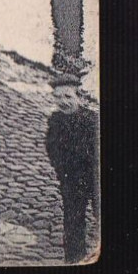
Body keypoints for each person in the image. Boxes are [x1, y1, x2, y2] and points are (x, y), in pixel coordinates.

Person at [45, 76, 99, 263]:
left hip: (94, 179)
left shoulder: (92, 121)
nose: (63, 102)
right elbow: (51, 147)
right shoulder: (55, 120)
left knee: (100, 214)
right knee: (73, 219)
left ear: (79, 97)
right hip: (71, 180)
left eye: (68, 97)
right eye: (58, 97)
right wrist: (62, 170)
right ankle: (75, 259)